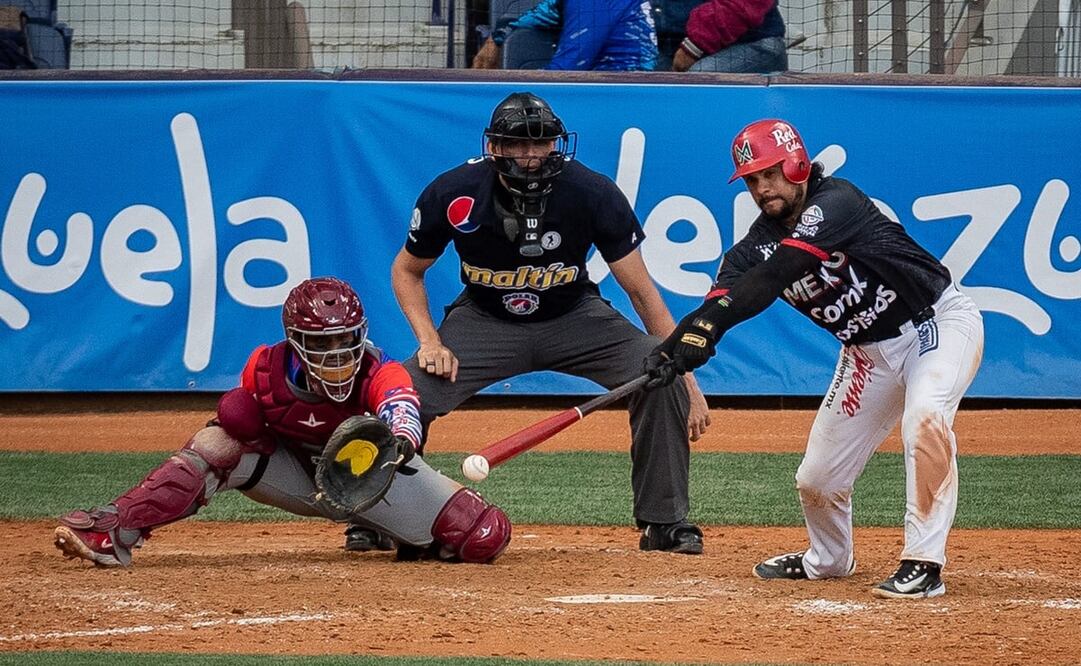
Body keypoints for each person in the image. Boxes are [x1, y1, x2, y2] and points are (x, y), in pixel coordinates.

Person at [347, 92, 711, 556]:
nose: (531, 156)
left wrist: (687, 380)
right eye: (517, 145)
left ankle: (664, 521)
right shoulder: (455, 191)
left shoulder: (592, 192)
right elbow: (406, 270)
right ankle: (382, 514)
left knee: (656, 372)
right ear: (494, 146)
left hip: (574, 315)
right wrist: (429, 340)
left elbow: (643, 293)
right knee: (403, 394)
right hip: (484, 318)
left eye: (540, 144)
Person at [645, 119, 984, 597]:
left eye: (771, 173)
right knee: (817, 479)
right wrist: (669, 350)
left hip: (936, 324)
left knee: (925, 419)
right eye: (752, 180)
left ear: (797, 163)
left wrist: (709, 327)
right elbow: (721, 297)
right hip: (867, 353)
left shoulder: (837, 201)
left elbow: (774, 276)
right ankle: (828, 559)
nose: (763, 188)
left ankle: (923, 562)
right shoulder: (751, 249)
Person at [54, 277, 511, 567]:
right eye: (322, 343)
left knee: (483, 534)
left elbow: (401, 404)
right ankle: (115, 530)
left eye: (345, 340)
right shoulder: (264, 368)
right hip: (298, 477)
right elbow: (243, 422)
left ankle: (391, 530)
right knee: (220, 438)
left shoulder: (380, 370)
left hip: (372, 483)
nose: (336, 354)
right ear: (295, 342)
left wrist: (403, 436)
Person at [472, 0, 658, 71]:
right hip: (601, 86)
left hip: (619, 91)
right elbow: (547, 11)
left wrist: (513, 90)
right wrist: (496, 39)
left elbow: (569, 67)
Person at [662, 0, 787, 73]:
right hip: (674, 46)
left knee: (694, 84)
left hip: (753, 43)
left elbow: (744, 5)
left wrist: (693, 47)